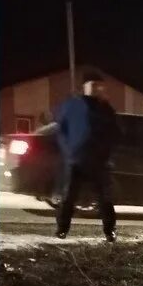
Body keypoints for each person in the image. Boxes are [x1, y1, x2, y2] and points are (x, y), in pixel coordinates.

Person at [53, 73, 120, 241]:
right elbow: (61, 130)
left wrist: (108, 153)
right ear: (85, 86)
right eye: (94, 85)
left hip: (99, 160)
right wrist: (68, 151)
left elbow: (115, 133)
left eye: (100, 85)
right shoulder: (74, 106)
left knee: (105, 198)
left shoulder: (105, 108)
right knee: (69, 197)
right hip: (76, 159)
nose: (98, 88)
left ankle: (109, 232)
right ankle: (62, 229)